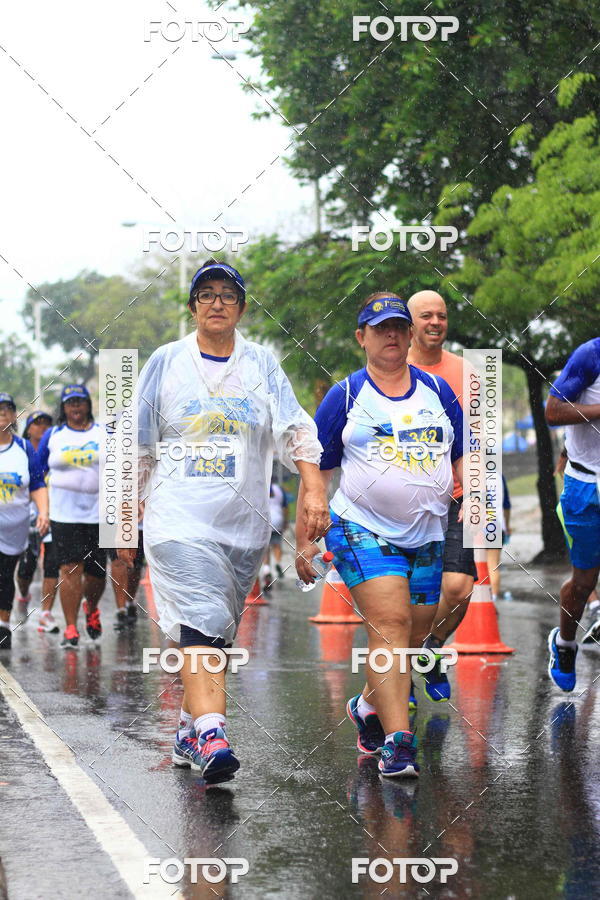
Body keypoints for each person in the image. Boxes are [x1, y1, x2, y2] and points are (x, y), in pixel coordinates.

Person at [121, 259, 327, 784]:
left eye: (227, 295)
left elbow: (294, 429)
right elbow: (138, 445)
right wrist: (125, 523)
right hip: (177, 519)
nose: (217, 303)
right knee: (202, 618)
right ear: (193, 307)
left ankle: (187, 728)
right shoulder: (166, 362)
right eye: (206, 294)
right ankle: (214, 735)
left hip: (243, 527)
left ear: (242, 307)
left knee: (216, 631)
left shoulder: (261, 364)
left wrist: (313, 488)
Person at [297, 293, 464, 777]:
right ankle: (399, 742)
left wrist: (476, 501)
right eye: (380, 329)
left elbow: (463, 456)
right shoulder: (346, 396)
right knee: (389, 625)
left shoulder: (438, 391)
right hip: (360, 526)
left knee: (411, 634)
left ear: (409, 336)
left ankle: (368, 704)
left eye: (398, 327)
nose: (391, 335)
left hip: (428, 529)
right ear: (362, 338)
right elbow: (315, 473)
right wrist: (305, 539)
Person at [406, 290, 476, 704]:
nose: (435, 322)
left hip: (457, 496)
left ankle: (430, 649)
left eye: (442, 315)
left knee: (459, 587)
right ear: (409, 323)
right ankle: (399, 685)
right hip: (404, 502)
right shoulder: (393, 367)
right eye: (426, 316)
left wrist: (478, 496)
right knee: (401, 598)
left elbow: (480, 441)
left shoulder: (467, 372)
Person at [545, 338, 600, 690]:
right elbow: (553, 412)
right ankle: (565, 643)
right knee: (583, 584)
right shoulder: (591, 355)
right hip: (585, 486)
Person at [38, 385, 106, 649]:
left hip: (99, 514)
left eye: (80, 401)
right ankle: (70, 627)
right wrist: (43, 509)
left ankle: (92, 607)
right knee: (69, 568)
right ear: (63, 408)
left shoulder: (103, 433)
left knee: (97, 573)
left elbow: (121, 468)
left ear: (88, 405)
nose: (75, 407)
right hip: (63, 515)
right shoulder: (54, 435)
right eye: (70, 403)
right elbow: (38, 472)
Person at [0, 393, 49, 649]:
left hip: (15, 527)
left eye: (7, 409)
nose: (2, 413)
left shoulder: (24, 448)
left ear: (13, 416)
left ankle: (3, 622)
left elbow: (38, 484)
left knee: (5, 573)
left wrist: (43, 512)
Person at [14, 410, 60, 633]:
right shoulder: (20, 452)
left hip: (54, 516)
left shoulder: (58, 450)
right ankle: (23, 594)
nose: (43, 428)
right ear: (28, 429)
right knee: (27, 567)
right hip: (27, 517)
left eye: (47, 424)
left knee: (52, 562)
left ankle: (46, 613)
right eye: (37, 423)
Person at [108, 520, 144, 630]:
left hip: (137, 519)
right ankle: (121, 610)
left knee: (134, 563)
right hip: (110, 515)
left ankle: (129, 602)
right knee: (116, 560)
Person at [486, 473, 512, 601]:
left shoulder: (470, 474)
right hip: (495, 525)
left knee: (476, 565)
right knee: (493, 564)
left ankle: (479, 597)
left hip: (476, 525)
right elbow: (506, 505)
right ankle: (493, 597)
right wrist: (507, 525)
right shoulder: (499, 477)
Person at [261, 475, 289, 590]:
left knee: (266, 547)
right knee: (277, 544)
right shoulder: (279, 490)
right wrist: (285, 521)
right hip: (277, 520)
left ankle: (267, 569)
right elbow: (285, 507)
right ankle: (278, 563)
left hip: (265, 520)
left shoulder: (261, 489)